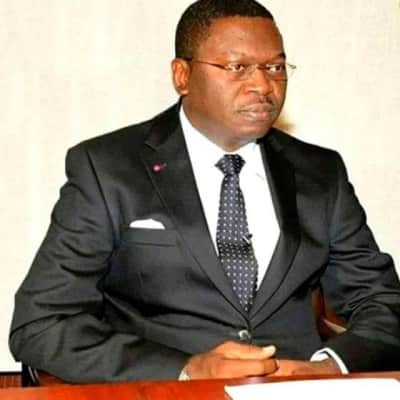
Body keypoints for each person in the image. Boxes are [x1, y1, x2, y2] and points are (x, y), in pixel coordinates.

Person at [9, 0, 400, 383]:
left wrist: (328, 367)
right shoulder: (109, 169)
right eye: (237, 67)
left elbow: (383, 303)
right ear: (182, 76)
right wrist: (187, 369)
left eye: (275, 67)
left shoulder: (319, 172)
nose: (263, 85)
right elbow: (42, 323)